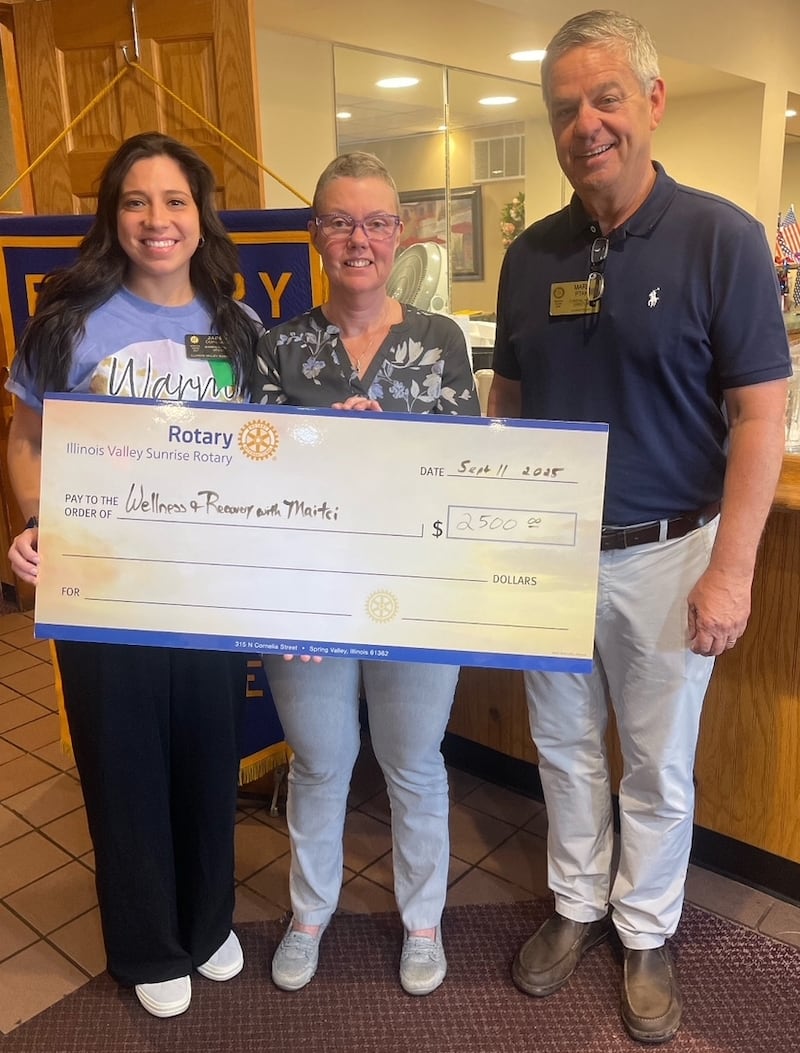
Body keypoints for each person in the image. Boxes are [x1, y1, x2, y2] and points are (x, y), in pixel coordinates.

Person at [488, 10, 791, 1044]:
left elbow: (760, 413)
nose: (586, 124)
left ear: (651, 102)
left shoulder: (721, 239)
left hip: (670, 554)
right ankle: (576, 906)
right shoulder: (530, 254)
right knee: (563, 749)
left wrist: (732, 571)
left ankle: (645, 925)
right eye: (564, 108)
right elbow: (507, 407)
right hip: (547, 554)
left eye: (605, 98)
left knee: (656, 762)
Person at [6, 132, 263, 1018]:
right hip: (104, 590)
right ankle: (149, 941)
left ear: (201, 216)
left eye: (176, 201)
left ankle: (209, 920)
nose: (158, 219)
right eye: (136, 201)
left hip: (207, 591)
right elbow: (29, 439)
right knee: (123, 763)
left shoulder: (239, 326)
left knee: (205, 755)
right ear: (114, 216)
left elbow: (270, 459)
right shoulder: (68, 322)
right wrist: (40, 527)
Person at [253, 151, 479, 996]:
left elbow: (464, 465)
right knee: (320, 761)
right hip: (309, 597)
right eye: (341, 221)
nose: (360, 238)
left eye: (377, 222)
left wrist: (393, 447)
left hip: (415, 595)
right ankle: (310, 912)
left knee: (414, 762)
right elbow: (259, 477)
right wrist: (325, 452)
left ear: (400, 234)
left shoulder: (439, 340)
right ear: (315, 234)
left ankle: (423, 920)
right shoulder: (279, 348)